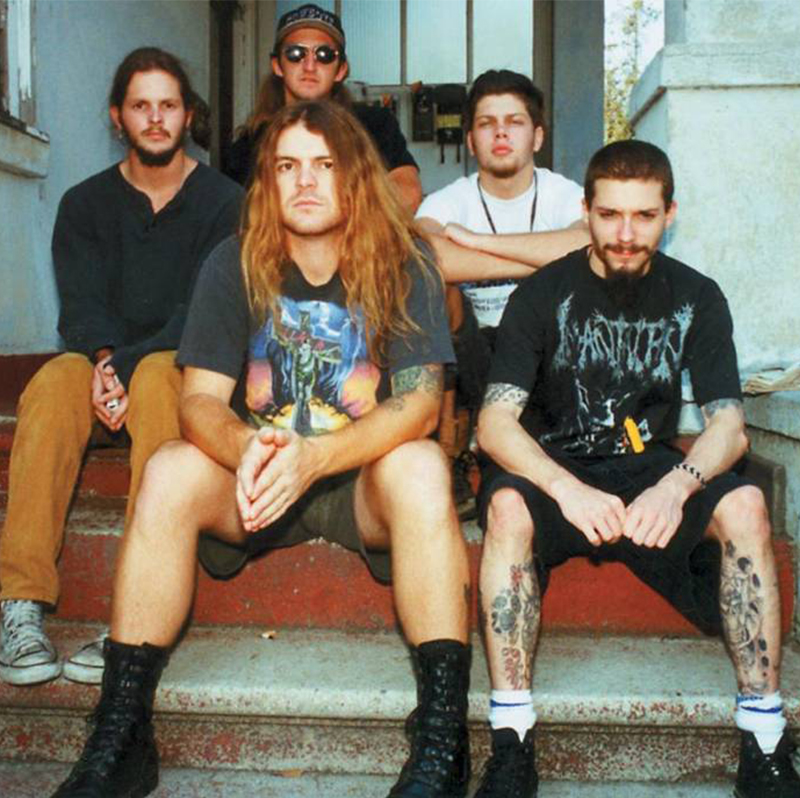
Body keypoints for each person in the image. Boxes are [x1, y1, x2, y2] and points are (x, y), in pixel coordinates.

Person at [51, 101, 472, 798]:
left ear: (354, 177)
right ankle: (120, 734)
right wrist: (248, 446)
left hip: (360, 480)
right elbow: (198, 402)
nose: (305, 182)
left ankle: (441, 742)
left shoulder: (405, 259)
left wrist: (317, 458)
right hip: (258, 479)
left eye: (324, 165)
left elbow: (421, 404)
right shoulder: (234, 261)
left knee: (423, 465)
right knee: (168, 470)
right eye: (287, 167)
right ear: (268, 181)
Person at [472, 139, 800, 798]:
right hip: (557, 466)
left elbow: (728, 425)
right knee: (506, 506)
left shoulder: (696, 296)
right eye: (610, 215)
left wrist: (678, 486)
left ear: (668, 214)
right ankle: (511, 741)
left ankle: (765, 739)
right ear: (586, 212)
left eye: (644, 216)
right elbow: (494, 423)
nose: (625, 234)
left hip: (651, 468)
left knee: (746, 505)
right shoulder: (541, 294)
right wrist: (565, 489)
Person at [0, 47, 243, 688]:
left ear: (187, 115)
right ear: (118, 117)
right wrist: (105, 364)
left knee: (162, 375)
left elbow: (204, 312)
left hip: (177, 367)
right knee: (52, 381)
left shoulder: (226, 203)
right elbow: (81, 307)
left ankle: (134, 613)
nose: (155, 118)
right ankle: (19, 601)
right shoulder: (84, 204)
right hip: (103, 364)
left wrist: (125, 367)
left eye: (168, 105)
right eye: (141, 106)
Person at [416, 70, 588, 517]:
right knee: (433, 288)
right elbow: (424, 255)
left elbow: (588, 244)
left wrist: (479, 244)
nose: (501, 133)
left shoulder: (563, 194)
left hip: (543, 350)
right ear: (471, 141)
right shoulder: (448, 200)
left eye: (514, 122)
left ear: (537, 136)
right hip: (471, 355)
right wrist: (536, 260)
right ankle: (450, 446)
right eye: (487, 123)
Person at [224, 2, 422, 213]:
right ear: (277, 65)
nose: (309, 66)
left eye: (324, 55)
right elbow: (238, 215)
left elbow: (408, 193)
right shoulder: (249, 144)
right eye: (295, 53)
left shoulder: (375, 124)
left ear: (341, 70)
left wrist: (334, 220)